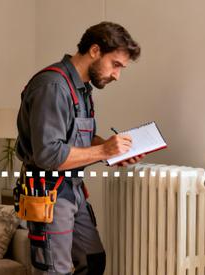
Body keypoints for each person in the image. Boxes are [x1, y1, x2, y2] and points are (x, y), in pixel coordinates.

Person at [15, 21, 143, 275]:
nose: (117, 75)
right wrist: (104, 152)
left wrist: (112, 149)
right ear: (94, 51)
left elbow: (74, 138)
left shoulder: (82, 89)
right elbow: (49, 154)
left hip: (72, 189)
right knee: (55, 270)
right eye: (115, 65)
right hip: (48, 191)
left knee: (93, 259)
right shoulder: (52, 86)